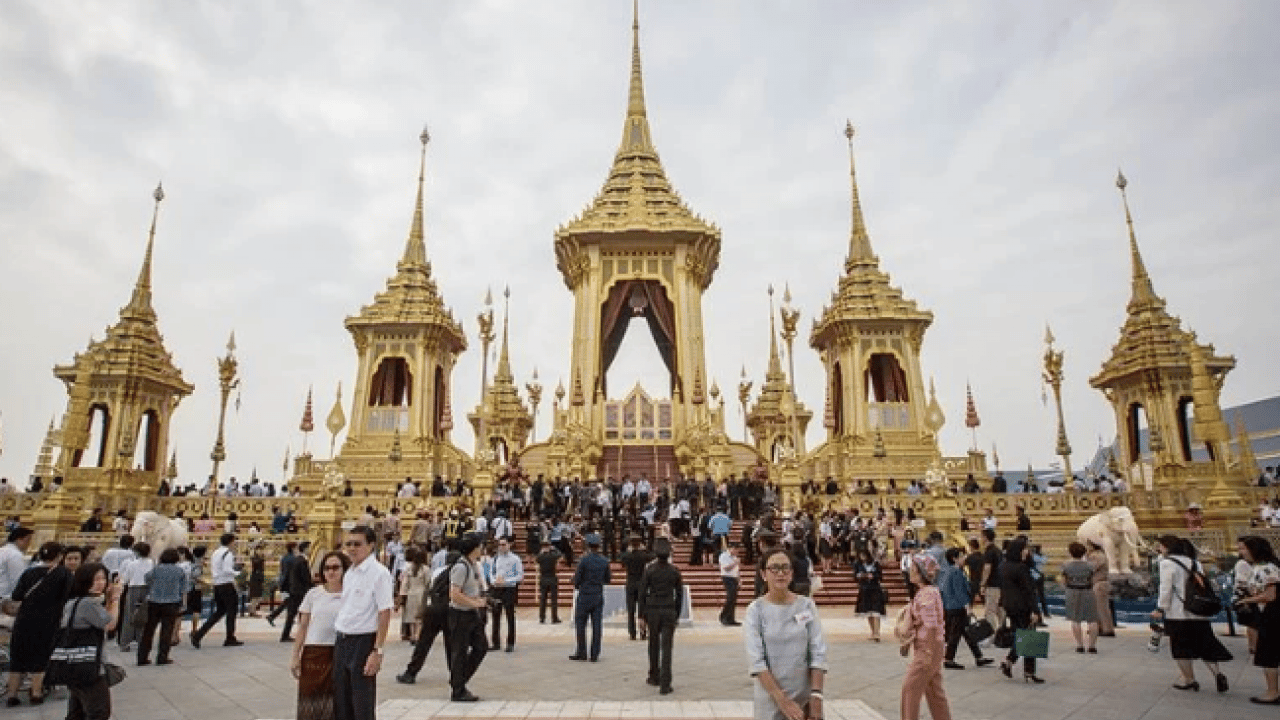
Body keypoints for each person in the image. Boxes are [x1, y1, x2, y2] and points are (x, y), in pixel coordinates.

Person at [745, 547, 828, 720]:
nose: (780, 573)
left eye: (785, 568)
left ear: (791, 573)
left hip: (806, 699)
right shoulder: (756, 610)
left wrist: (816, 695)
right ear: (763, 574)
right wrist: (782, 701)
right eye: (774, 568)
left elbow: (818, 651)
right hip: (770, 699)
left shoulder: (806, 606)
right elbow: (757, 661)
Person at [1153, 535, 1231, 692]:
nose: (1159, 549)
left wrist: (1161, 608)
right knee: (1204, 644)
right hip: (1198, 611)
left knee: (1180, 647)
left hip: (1178, 613)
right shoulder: (1195, 562)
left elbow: (1165, 588)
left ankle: (1188, 678)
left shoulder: (1167, 563)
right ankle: (1217, 674)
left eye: (1160, 546)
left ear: (1167, 547)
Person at [333, 526, 394, 720]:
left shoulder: (379, 573)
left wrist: (377, 651)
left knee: (362, 702)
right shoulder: (350, 572)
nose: (352, 548)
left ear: (370, 545)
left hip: (363, 641)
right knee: (342, 701)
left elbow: (384, 612)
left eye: (357, 544)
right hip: (342, 639)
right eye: (348, 544)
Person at [5, 541, 71, 706]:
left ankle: (12, 695)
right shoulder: (63, 573)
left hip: (24, 619)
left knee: (18, 656)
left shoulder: (29, 572)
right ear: (59, 556)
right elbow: (67, 597)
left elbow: (17, 595)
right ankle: (36, 693)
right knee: (40, 656)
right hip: (47, 620)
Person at [291, 551, 349, 720]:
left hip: (340, 653)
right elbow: (303, 626)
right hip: (313, 654)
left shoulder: (351, 595)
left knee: (336, 702)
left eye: (336, 567)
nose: (331, 572)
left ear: (344, 569)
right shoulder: (313, 594)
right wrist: (295, 655)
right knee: (310, 700)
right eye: (327, 568)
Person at [60, 563, 122, 720]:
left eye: (102, 578)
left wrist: (108, 600)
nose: (100, 583)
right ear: (84, 581)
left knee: (76, 713)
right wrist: (115, 599)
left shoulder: (74, 602)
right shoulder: (88, 604)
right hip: (90, 668)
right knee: (99, 712)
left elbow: (102, 619)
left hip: (75, 664)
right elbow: (110, 624)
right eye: (95, 579)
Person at [898, 554, 953, 720]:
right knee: (934, 690)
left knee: (910, 688)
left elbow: (930, 625)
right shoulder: (930, 592)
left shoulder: (926, 594)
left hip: (927, 647)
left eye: (914, 569)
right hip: (934, 645)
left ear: (922, 573)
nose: (910, 572)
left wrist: (927, 652)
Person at [1235, 536, 1280, 704]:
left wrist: (1247, 600)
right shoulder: (1260, 566)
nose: (1241, 553)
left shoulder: (1268, 568)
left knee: (1269, 654)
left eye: (1243, 549)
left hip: (1272, 615)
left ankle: (1273, 692)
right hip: (1267, 614)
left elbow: (1270, 595)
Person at [446, 534, 489, 702]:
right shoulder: (461, 567)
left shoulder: (473, 565)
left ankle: (459, 679)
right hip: (460, 614)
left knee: (481, 647)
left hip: (471, 613)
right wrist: (475, 603)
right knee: (460, 652)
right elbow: (454, 594)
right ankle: (458, 690)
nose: (482, 548)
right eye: (480, 545)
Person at [638, 538, 682, 695]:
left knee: (653, 644)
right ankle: (666, 682)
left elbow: (642, 593)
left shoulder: (649, 570)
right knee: (667, 647)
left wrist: (641, 615)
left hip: (653, 610)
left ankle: (654, 675)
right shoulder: (674, 571)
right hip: (669, 609)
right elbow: (679, 595)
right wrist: (676, 613)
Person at [998, 537, 1044, 683]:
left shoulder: (1003, 566)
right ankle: (1028, 670)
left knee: (1022, 635)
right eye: (1025, 549)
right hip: (1023, 606)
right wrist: (1035, 610)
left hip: (1010, 605)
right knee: (1029, 636)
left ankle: (1009, 662)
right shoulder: (1021, 568)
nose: (1027, 551)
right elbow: (1029, 591)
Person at [939, 547, 990, 669]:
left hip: (950, 605)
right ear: (954, 559)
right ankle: (949, 659)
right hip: (957, 606)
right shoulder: (956, 572)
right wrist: (967, 605)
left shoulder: (946, 571)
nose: (964, 558)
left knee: (967, 632)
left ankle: (979, 656)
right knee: (955, 634)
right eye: (961, 556)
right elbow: (959, 591)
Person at [137, 548, 187, 666]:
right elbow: (184, 589)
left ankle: (142, 656)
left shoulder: (156, 569)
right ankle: (162, 656)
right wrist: (183, 604)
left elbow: (147, 579)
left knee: (149, 630)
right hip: (172, 603)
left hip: (154, 601)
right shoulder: (179, 571)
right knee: (167, 630)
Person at [192, 533, 242, 648]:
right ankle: (230, 637)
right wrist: (237, 572)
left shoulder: (215, 552)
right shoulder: (227, 553)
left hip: (217, 584)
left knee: (219, 612)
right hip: (226, 584)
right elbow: (227, 570)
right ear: (230, 541)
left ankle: (199, 634)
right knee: (231, 612)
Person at [570, 533, 611, 662]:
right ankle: (594, 653)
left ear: (588, 545)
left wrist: (577, 583)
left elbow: (577, 579)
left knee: (581, 624)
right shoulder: (604, 561)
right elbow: (608, 579)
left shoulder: (584, 560)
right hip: (597, 595)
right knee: (597, 625)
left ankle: (582, 651)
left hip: (584, 595)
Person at [1061, 542, 1100, 654]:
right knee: (1092, 619)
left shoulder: (1066, 565)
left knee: (1075, 619)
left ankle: (1080, 645)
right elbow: (1093, 579)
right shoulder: (1090, 565)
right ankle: (1092, 646)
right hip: (1087, 590)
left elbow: (1063, 581)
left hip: (1072, 590)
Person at [116, 541, 153, 652]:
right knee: (144, 616)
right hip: (147, 589)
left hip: (134, 589)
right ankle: (142, 639)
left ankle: (125, 642)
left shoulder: (132, 564)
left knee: (129, 616)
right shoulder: (152, 562)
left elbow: (126, 579)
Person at [489, 537, 523, 652]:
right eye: (500, 545)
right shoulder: (495, 558)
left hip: (509, 589)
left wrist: (506, 581)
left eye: (504, 544)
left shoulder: (515, 559)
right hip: (497, 589)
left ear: (509, 545)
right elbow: (491, 572)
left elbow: (519, 576)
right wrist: (494, 581)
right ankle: (495, 642)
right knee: (495, 615)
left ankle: (510, 642)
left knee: (509, 616)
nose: (502, 547)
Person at [620, 536, 655, 640]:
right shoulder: (643, 555)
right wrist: (643, 549)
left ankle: (632, 633)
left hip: (630, 583)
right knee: (642, 610)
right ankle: (643, 632)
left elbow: (621, 559)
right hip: (641, 583)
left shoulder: (627, 556)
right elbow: (653, 556)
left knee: (631, 610)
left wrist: (629, 550)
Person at [281, 541, 315, 643]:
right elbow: (305, 578)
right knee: (303, 613)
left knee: (292, 614)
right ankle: (300, 633)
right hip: (300, 591)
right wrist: (312, 588)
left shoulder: (296, 560)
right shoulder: (302, 561)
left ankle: (286, 634)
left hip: (293, 590)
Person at [853, 549, 886, 642]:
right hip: (864, 590)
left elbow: (880, 576)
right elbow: (855, 576)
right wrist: (861, 576)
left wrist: (873, 576)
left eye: (864, 555)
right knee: (868, 612)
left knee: (876, 611)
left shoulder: (875, 564)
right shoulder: (857, 564)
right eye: (861, 555)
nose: (862, 558)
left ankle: (877, 633)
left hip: (875, 589)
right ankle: (872, 631)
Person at [398, 547, 429, 642]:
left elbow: (405, 583)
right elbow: (428, 582)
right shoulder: (425, 569)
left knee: (411, 616)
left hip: (411, 594)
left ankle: (412, 635)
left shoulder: (409, 568)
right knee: (419, 616)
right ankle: (418, 635)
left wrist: (402, 594)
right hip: (421, 594)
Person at [1086, 541, 1115, 637]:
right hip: (1101, 583)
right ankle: (1102, 627)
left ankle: (1106, 629)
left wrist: (1086, 558)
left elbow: (1091, 568)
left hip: (1099, 584)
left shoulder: (1096, 556)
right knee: (1101, 607)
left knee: (1100, 608)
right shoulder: (1101, 554)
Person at [534, 540, 563, 624]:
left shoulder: (541, 556)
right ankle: (554, 618)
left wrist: (541, 552)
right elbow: (560, 555)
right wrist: (554, 549)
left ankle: (542, 618)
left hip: (543, 578)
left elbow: (536, 559)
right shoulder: (553, 555)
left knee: (543, 599)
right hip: (552, 578)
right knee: (554, 600)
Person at [980, 529, 1004, 629]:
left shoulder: (989, 551)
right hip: (1000, 583)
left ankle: (992, 632)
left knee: (990, 610)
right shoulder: (998, 550)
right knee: (999, 609)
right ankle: (1002, 630)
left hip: (992, 584)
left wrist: (982, 583)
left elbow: (987, 568)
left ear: (985, 537)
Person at [719, 542, 742, 626]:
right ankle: (724, 616)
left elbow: (737, 570)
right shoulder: (724, 556)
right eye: (736, 550)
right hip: (727, 577)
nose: (737, 552)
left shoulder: (735, 557)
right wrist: (735, 563)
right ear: (731, 548)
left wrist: (739, 580)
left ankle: (731, 619)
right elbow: (725, 568)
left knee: (734, 599)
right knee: (730, 597)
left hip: (734, 578)